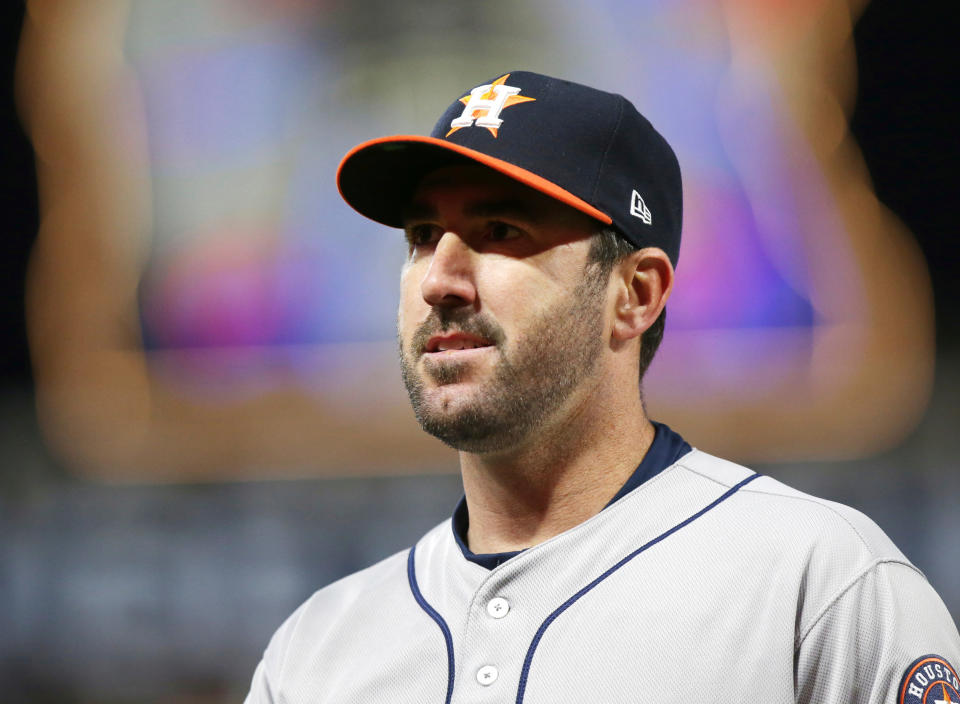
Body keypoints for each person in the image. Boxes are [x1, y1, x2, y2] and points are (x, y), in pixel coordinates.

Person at [244, 71, 960, 704]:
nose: (439, 280)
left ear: (636, 294)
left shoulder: (817, 585)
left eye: (500, 230)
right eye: (424, 235)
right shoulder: (316, 651)